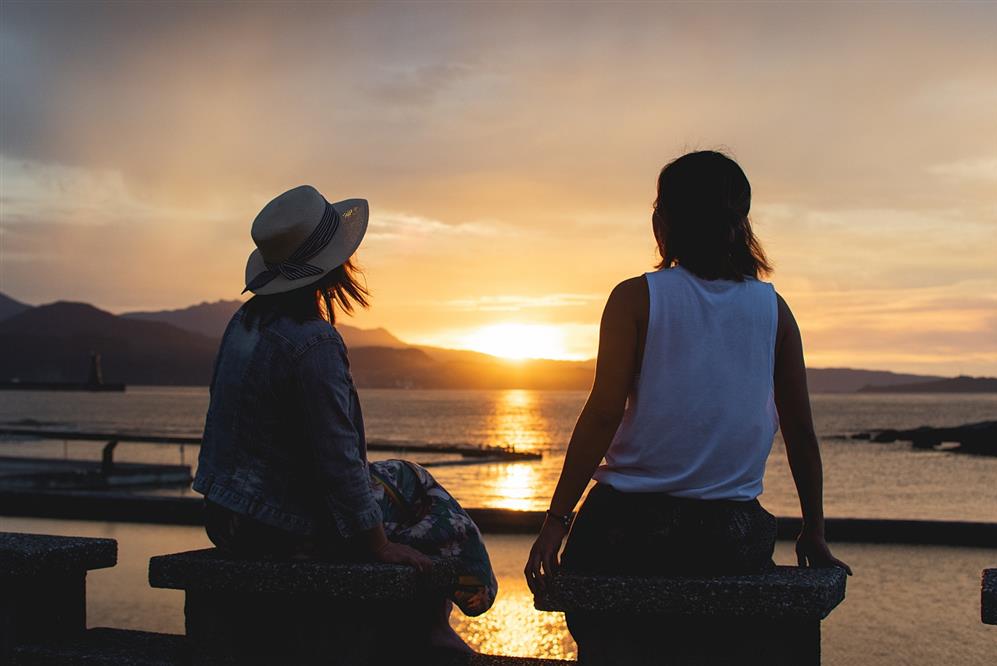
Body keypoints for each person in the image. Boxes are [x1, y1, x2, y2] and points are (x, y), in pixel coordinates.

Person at [524, 150, 852, 656]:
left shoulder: (635, 297)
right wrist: (814, 530)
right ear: (740, 223)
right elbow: (800, 430)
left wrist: (555, 522)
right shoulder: (774, 308)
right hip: (731, 535)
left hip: (627, 531)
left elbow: (605, 413)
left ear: (664, 221)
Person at [193, 185, 496, 655]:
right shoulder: (314, 344)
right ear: (336, 266)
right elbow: (338, 460)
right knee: (416, 487)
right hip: (280, 529)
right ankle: (438, 618)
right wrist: (376, 546)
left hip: (226, 516)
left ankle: (427, 616)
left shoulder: (245, 324)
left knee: (395, 478)